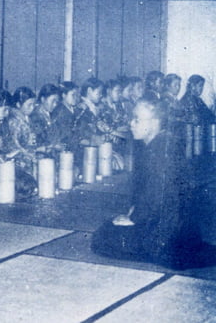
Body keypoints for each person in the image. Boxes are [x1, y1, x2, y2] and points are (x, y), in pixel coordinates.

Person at [91, 97, 216, 270]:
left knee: (103, 237)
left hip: (166, 232)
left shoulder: (158, 150)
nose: (131, 123)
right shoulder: (161, 144)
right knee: (110, 229)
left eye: (136, 119)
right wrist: (134, 212)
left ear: (154, 123)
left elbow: (156, 196)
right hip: (179, 227)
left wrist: (133, 219)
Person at [30, 83, 61, 153]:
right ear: (43, 99)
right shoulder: (34, 117)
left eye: (56, 102)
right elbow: (36, 142)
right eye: (53, 101)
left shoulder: (52, 115)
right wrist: (53, 146)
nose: (55, 104)